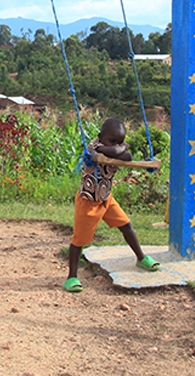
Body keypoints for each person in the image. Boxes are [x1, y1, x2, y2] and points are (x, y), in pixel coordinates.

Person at [65, 118, 159, 292]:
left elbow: (127, 156)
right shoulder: (93, 147)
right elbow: (118, 152)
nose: (117, 144)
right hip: (89, 201)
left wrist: (119, 148)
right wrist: (122, 147)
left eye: (121, 141)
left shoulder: (109, 148)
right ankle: (71, 276)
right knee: (79, 240)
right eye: (112, 140)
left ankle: (141, 257)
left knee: (126, 225)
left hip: (106, 198)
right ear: (100, 136)